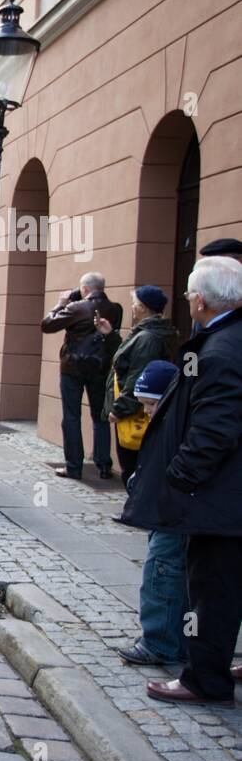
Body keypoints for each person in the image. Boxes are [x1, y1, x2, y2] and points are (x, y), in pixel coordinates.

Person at [121, 257, 242, 706]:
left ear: (202, 300)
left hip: (221, 496)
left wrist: (180, 477)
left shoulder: (221, 350)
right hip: (227, 490)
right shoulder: (225, 340)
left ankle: (204, 679)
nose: (189, 300)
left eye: (191, 294)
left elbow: (216, 430)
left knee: (213, 589)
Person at [114, 360, 188, 667]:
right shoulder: (167, 421)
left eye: (151, 404)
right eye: (143, 405)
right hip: (165, 509)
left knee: (163, 570)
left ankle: (160, 642)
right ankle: (172, 640)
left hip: (174, 512)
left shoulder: (178, 422)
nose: (146, 412)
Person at [41, 271, 123, 479]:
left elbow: (47, 324)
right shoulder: (115, 309)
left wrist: (61, 303)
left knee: (71, 416)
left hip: (73, 368)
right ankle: (104, 465)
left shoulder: (76, 308)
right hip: (101, 368)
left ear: (85, 289)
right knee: (101, 417)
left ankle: (74, 466)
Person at [100, 285, 177, 487]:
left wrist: (119, 409)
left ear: (143, 308)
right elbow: (128, 361)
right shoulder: (145, 333)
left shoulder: (148, 337)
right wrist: (111, 336)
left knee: (133, 465)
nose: (132, 308)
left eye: (135, 304)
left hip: (134, 412)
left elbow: (137, 376)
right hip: (135, 407)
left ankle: (136, 509)